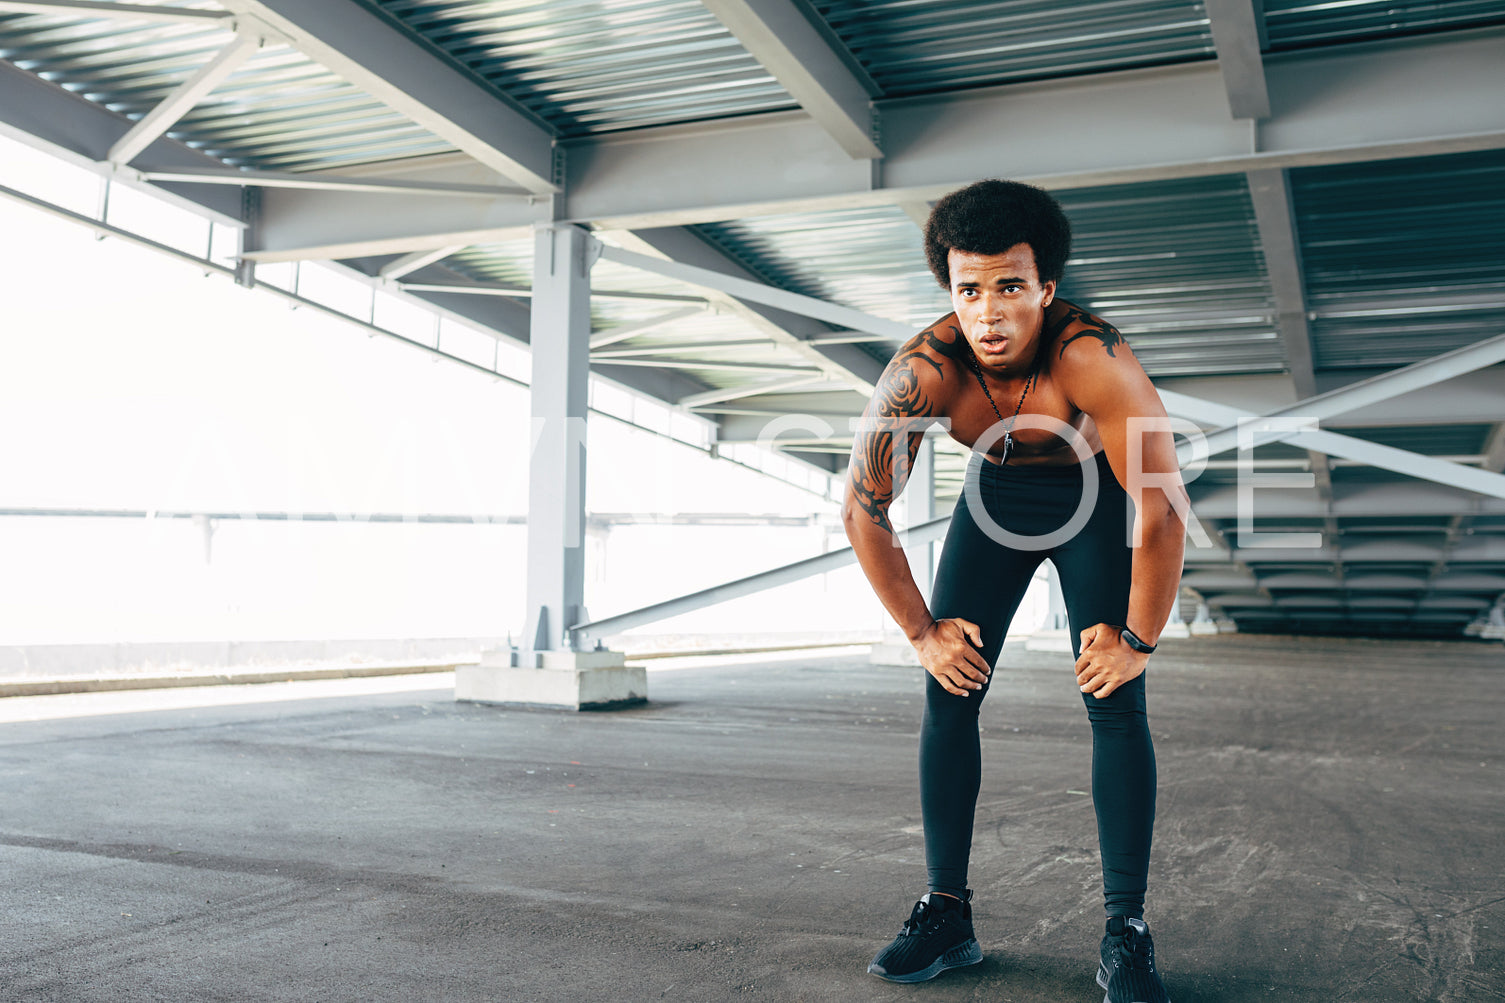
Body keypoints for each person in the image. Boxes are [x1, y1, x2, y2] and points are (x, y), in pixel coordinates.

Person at [841, 179, 1187, 1003]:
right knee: (949, 687)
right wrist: (921, 630)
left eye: (1008, 287)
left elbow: (1161, 507)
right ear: (948, 292)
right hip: (993, 498)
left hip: (1090, 499)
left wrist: (1136, 639)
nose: (988, 313)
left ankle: (1125, 928)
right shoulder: (923, 373)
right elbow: (863, 509)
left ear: (1045, 289)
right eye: (969, 290)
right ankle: (946, 912)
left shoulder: (1090, 358)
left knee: (1114, 698)